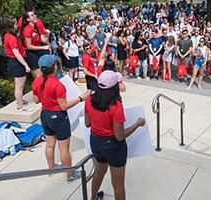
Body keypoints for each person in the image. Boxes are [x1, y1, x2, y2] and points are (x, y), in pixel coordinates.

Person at [84, 70, 145, 200]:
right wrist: (137, 124)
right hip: (113, 146)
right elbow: (120, 136)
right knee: (118, 185)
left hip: (95, 142)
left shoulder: (89, 100)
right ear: (114, 87)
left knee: (99, 172)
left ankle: (93, 198)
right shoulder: (116, 106)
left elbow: (87, 123)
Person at [32, 54, 89, 181]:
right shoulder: (58, 85)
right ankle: (70, 174)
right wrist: (81, 98)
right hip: (58, 117)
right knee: (64, 149)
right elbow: (63, 106)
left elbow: (36, 101)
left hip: (45, 114)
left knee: (49, 145)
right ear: (54, 66)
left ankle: (51, 168)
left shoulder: (37, 81)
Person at [2, 16, 31, 111]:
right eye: (15, 23)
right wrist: (26, 65)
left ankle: (20, 101)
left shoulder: (8, 35)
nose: (17, 25)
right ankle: (20, 105)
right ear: (10, 26)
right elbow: (17, 54)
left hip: (14, 62)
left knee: (19, 85)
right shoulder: (11, 38)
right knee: (19, 86)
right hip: (16, 62)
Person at [20, 11, 51, 78]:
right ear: (28, 19)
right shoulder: (27, 30)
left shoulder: (35, 28)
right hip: (30, 52)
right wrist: (43, 48)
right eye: (32, 15)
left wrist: (48, 35)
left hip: (37, 50)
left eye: (34, 14)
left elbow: (44, 41)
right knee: (39, 75)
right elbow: (28, 46)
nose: (35, 16)